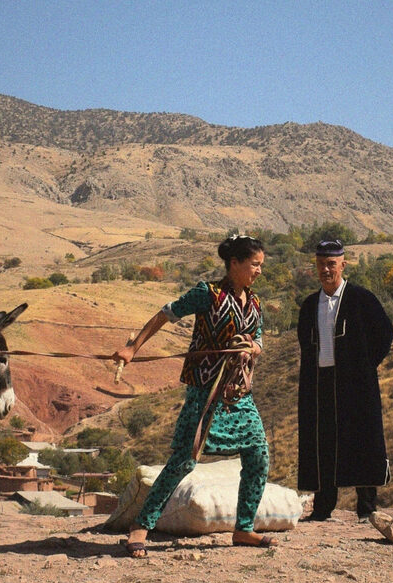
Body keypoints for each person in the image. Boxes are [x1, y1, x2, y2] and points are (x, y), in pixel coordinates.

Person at [112, 234, 274, 557]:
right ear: (234, 263)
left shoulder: (254, 302)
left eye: (261, 266)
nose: (258, 271)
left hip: (239, 396)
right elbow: (166, 314)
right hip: (206, 394)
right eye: (254, 265)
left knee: (259, 455)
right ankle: (141, 526)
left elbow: (258, 337)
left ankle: (243, 528)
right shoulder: (207, 294)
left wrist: (253, 347)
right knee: (183, 461)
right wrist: (133, 348)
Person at [296, 237, 393, 521]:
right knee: (323, 442)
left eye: (331, 264)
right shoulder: (310, 304)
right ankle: (323, 506)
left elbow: (385, 333)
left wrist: (364, 366)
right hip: (320, 384)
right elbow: (306, 343)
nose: (326, 270)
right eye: (321, 265)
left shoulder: (362, 299)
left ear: (343, 264)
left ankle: (367, 507)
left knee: (362, 438)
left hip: (355, 384)